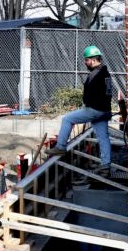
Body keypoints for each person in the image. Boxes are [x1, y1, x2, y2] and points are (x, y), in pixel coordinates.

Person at [46, 45, 113, 177]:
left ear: (93, 60)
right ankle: (106, 166)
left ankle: (61, 147)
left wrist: (87, 106)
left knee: (68, 119)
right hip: (105, 110)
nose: (85, 62)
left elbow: (87, 96)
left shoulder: (95, 74)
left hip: (95, 110)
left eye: (87, 60)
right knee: (103, 138)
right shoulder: (106, 73)